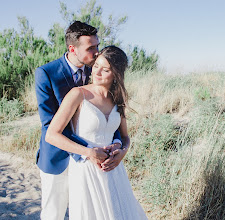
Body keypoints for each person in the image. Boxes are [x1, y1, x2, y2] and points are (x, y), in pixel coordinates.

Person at [45, 46, 147, 219]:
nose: (97, 72)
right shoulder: (78, 94)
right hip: (87, 169)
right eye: (96, 66)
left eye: (105, 69)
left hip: (114, 170)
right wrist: (88, 152)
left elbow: (124, 137)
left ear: (116, 74)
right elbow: (52, 135)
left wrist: (122, 152)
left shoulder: (117, 99)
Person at [35, 21, 122, 220]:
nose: (97, 52)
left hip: (94, 163)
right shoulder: (46, 74)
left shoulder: (99, 73)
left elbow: (109, 114)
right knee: (53, 214)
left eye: (98, 46)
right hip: (58, 158)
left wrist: (116, 144)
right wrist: (88, 150)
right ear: (72, 48)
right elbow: (49, 125)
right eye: (91, 48)